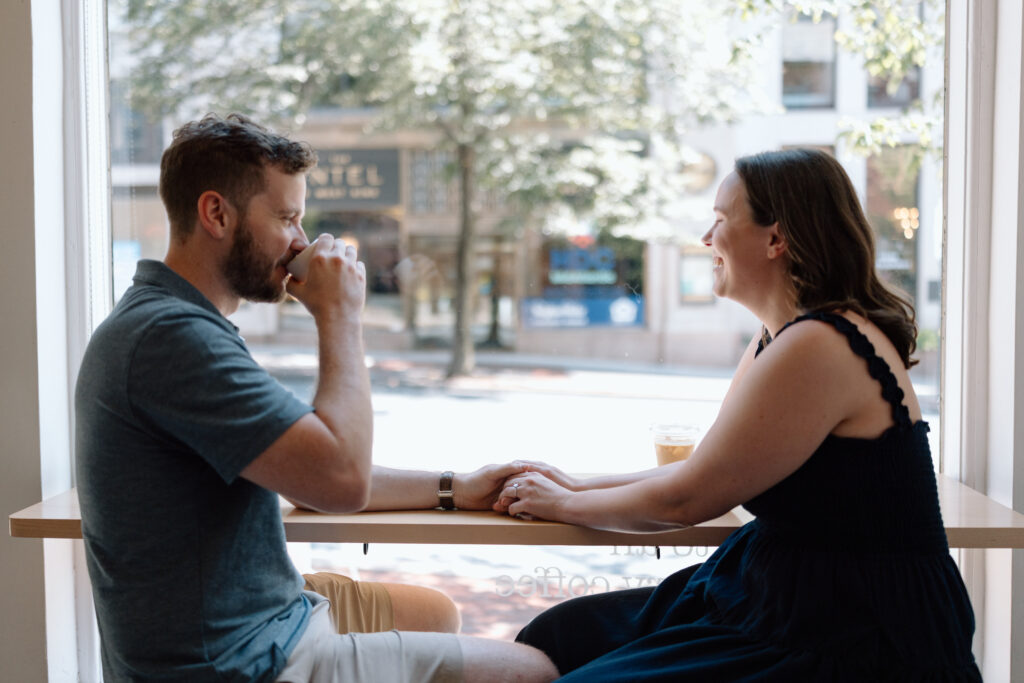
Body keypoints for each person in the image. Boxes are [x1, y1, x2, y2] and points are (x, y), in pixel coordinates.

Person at [74, 113, 556, 683]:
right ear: (216, 214)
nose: (301, 241)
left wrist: (454, 488)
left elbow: (305, 466)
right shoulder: (174, 339)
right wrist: (340, 315)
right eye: (286, 218)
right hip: (242, 666)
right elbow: (340, 480)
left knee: (436, 610)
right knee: (534, 669)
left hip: (270, 622)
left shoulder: (167, 321)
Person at [497, 149, 981, 681]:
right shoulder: (781, 336)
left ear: (778, 239)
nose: (707, 238)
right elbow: (708, 465)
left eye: (722, 220)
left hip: (853, 625)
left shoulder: (820, 344)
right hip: (775, 590)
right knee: (558, 634)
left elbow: (689, 498)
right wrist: (578, 486)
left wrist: (566, 504)